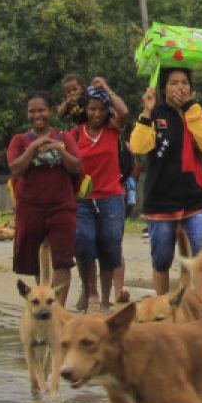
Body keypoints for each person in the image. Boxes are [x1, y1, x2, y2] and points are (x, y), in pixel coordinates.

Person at [129, 67, 202, 296]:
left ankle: (200, 313)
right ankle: (163, 308)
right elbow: (138, 147)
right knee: (162, 258)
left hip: (195, 198)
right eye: (174, 83)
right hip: (161, 199)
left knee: (201, 256)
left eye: (184, 82)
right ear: (163, 88)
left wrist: (189, 110)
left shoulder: (195, 113)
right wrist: (146, 111)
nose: (180, 88)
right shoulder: (155, 114)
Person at [8, 91, 82, 306]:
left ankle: (58, 309)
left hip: (61, 206)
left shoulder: (64, 137)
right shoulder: (20, 140)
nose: (37, 115)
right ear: (27, 114)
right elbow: (15, 169)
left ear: (50, 111)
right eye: (32, 111)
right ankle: (43, 302)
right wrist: (33, 148)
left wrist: (60, 150)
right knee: (34, 262)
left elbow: (76, 166)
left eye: (41, 110)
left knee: (63, 261)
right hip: (30, 207)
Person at [69, 81, 129, 311]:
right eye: (92, 108)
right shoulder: (74, 134)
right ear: (85, 109)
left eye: (101, 109)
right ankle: (90, 291)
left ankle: (105, 299)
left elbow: (123, 111)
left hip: (111, 198)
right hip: (82, 200)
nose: (96, 113)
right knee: (83, 244)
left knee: (110, 247)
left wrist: (107, 88)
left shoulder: (113, 130)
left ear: (106, 111)